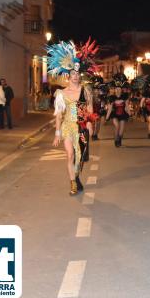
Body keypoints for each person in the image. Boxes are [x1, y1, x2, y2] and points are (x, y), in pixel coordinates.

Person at [47, 40, 97, 196]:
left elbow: (89, 108)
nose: (75, 77)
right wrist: (57, 133)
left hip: (82, 127)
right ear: (68, 76)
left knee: (79, 157)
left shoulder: (85, 90)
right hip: (68, 126)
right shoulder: (61, 94)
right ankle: (73, 184)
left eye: (77, 74)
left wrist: (90, 123)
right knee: (70, 155)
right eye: (72, 74)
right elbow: (59, 115)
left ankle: (76, 176)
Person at [105, 74, 130, 147]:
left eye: (119, 89)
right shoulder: (112, 98)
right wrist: (107, 117)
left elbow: (127, 107)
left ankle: (119, 139)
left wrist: (129, 113)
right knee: (117, 126)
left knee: (121, 131)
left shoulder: (124, 97)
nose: (118, 90)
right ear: (114, 90)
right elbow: (109, 108)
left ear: (121, 90)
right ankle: (116, 140)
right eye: (116, 89)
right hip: (115, 115)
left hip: (123, 115)